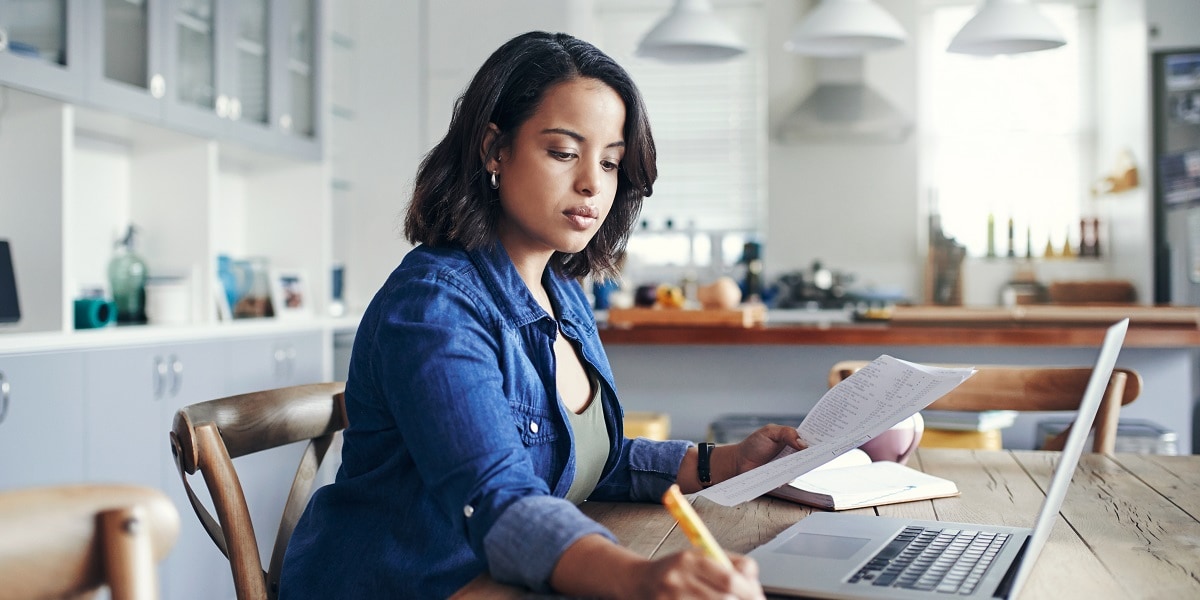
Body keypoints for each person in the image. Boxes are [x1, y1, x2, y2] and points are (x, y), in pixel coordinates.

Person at [279, 31, 803, 599]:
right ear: (494, 149)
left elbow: (591, 461)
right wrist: (638, 576)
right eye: (563, 152)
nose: (591, 184)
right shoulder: (434, 307)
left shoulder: (564, 292)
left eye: (609, 162)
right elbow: (499, 495)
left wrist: (726, 462)